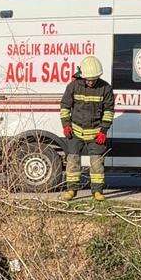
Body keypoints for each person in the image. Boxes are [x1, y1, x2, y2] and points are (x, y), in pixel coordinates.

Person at [59, 57, 116, 202]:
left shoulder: (106, 88)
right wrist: (66, 125)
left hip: (96, 133)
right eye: (88, 79)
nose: (91, 82)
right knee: (72, 161)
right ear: (83, 76)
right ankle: (71, 190)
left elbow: (109, 111)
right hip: (75, 131)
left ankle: (97, 192)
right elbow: (65, 106)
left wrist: (103, 131)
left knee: (97, 164)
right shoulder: (73, 86)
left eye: (94, 79)